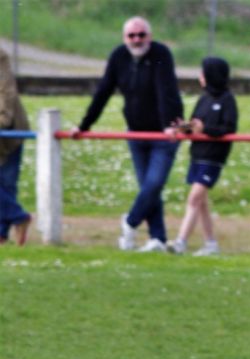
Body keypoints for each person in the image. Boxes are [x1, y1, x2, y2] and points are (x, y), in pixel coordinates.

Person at [75, 16, 183, 252]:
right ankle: (157, 238)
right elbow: (103, 91)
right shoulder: (118, 56)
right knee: (147, 186)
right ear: (125, 38)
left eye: (141, 35)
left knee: (153, 184)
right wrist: (84, 125)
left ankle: (130, 222)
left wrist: (169, 124)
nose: (137, 40)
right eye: (131, 36)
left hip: (163, 135)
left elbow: (166, 89)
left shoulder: (161, 54)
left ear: (149, 36)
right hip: (135, 133)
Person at [169, 57, 237, 256]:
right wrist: (183, 128)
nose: (200, 76)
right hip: (197, 155)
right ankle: (211, 244)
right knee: (201, 203)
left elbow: (228, 128)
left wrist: (205, 128)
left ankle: (180, 242)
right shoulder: (204, 98)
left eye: (203, 72)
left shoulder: (227, 99)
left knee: (194, 198)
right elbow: (194, 124)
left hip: (213, 158)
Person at [0, 47, 29, 246]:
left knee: (7, 184)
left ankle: (2, 233)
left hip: (10, 133)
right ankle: (18, 217)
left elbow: (6, 93)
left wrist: (3, 119)